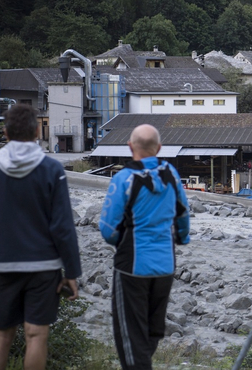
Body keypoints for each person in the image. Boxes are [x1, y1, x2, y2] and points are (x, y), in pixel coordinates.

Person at [0, 104, 81, 370]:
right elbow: (63, 227)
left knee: (2, 334)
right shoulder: (52, 170)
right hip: (44, 267)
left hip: (1, 264)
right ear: (37, 131)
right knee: (36, 335)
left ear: (5, 132)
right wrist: (72, 271)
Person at [99, 124, 190, 370]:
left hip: (132, 267)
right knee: (152, 332)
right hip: (165, 265)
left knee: (129, 337)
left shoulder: (123, 179)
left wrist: (123, 243)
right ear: (159, 148)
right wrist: (182, 238)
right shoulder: (171, 173)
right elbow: (183, 214)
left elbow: (108, 228)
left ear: (130, 147)